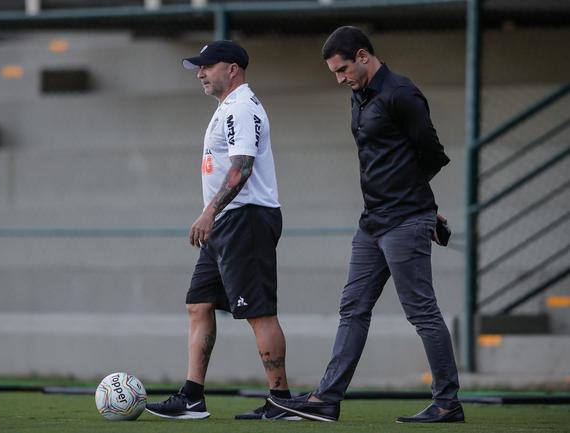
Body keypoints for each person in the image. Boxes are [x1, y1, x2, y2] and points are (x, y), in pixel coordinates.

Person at [268, 26, 464, 423]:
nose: (339, 78)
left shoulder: (401, 93)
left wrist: (419, 206)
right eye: (335, 73)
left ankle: (447, 403)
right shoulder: (359, 96)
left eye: (342, 70)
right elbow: (384, 160)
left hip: (404, 221)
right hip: (372, 223)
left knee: (421, 312)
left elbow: (433, 155)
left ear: (362, 55)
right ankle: (327, 399)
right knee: (352, 309)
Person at [145, 40, 299, 421]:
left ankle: (282, 400)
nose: (200, 72)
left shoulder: (242, 108)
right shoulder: (229, 107)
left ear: (232, 69)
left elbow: (242, 166)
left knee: (258, 312)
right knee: (198, 304)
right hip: (228, 221)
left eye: (207, 66)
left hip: (244, 218)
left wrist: (209, 212)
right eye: (198, 66)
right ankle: (192, 397)